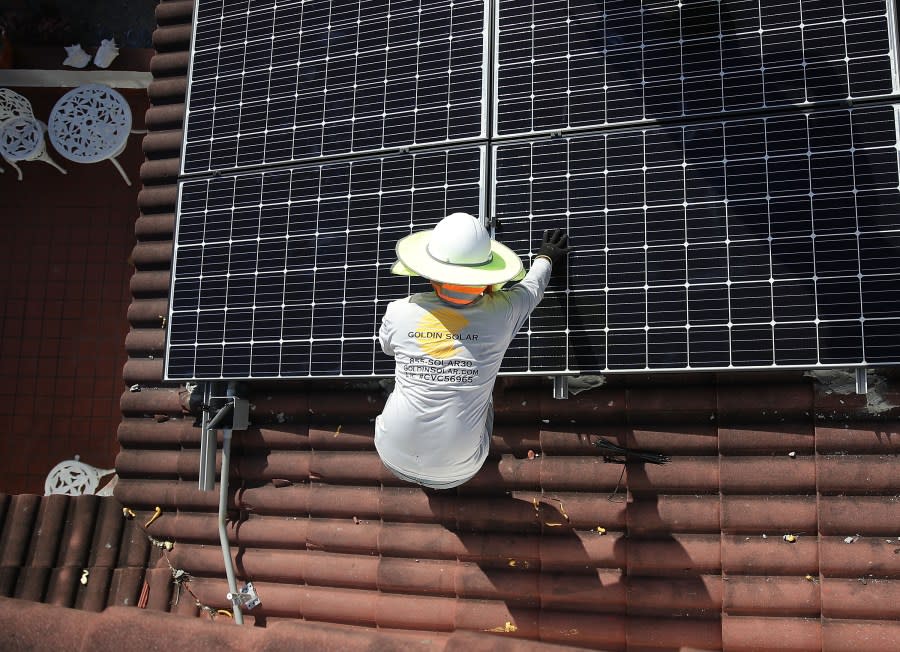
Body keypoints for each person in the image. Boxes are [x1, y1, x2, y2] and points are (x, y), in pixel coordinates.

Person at [375, 212, 571, 489]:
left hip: (391, 455)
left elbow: (387, 348)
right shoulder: (503, 311)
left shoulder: (398, 311)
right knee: (484, 401)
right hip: (457, 473)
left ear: (430, 274)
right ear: (487, 278)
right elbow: (532, 288)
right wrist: (546, 256)